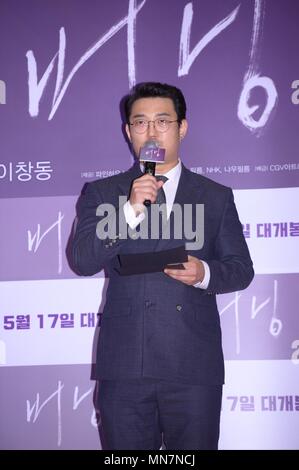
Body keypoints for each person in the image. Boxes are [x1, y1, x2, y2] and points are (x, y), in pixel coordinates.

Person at [72, 82, 254, 450]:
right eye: (140, 123)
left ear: (182, 127)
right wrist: (129, 211)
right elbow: (82, 260)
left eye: (162, 121)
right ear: (128, 131)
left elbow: (241, 268)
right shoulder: (104, 193)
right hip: (125, 365)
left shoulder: (215, 196)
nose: (152, 131)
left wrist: (205, 273)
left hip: (192, 364)